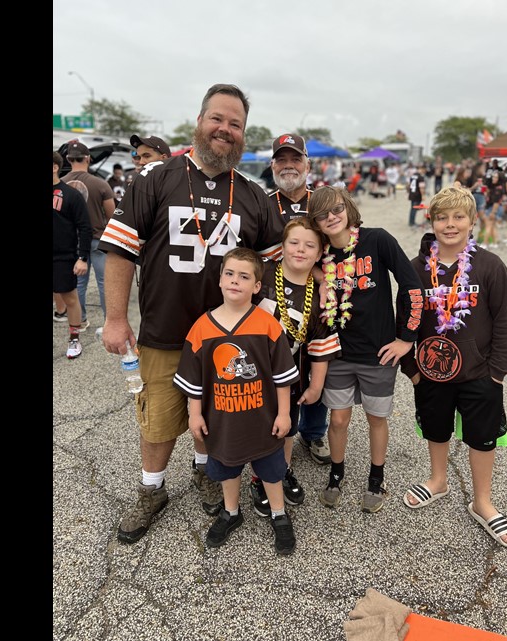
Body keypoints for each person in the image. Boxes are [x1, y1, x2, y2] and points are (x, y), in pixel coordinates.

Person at [99, 83, 286, 544]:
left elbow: (275, 262)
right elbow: (121, 252)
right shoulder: (154, 177)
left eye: (236, 124)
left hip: (230, 337)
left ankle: (207, 471)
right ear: (199, 121)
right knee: (159, 418)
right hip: (166, 330)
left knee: (218, 412)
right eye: (217, 119)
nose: (225, 130)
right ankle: (152, 489)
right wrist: (116, 317)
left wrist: (268, 321)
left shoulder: (254, 194)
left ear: (244, 134)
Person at [399, 186, 507, 547]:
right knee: (436, 428)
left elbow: (505, 321)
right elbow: (404, 319)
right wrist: (413, 370)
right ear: (431, 221)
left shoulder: (490, 265)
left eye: (458, 217)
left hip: (480, 372)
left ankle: (482, 501)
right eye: (441, 217)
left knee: (482, 436)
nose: (449, 225)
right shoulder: (416, 269)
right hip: (432, 372)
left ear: (472, 221)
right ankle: (438, 480)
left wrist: (497, 371)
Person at [174, 247, 299, 555]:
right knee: (228, 469)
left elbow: (282, 377)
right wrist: (194, 415)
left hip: (263, 420)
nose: (235, 281)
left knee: (271, 470)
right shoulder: (202, 327)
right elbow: (195, 382)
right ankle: (231, 511)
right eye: (229, 274)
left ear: (257, 286)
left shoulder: (268, 325)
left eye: (244, 276)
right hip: (222, 422)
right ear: (219, 280)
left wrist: (284, 414)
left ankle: (279, 513)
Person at [308, 186, 424, 513]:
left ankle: (376, 478)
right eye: (322, 214)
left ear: (347, 208)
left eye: (336, 209)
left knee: (376, 417)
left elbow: (412, 285)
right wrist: (319, 277)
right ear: (315, 222)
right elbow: (287, 257)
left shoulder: (377, 239)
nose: (331, 217)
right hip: (337, 353)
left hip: (378, 353)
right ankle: (336, 473)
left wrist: (406, 338)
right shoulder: (321, 250)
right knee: (339, 419)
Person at [252, 217, 341, 517]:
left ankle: (282, 469)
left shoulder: (321, 296)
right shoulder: (261, 275)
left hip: (291, 376)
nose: (300, 250)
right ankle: (257, 478)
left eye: (309, 246)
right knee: (254, 425)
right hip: (251, 373)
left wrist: (316, 386)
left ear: (319, 254)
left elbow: (320, 345)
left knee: (286, 427)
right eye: (293, 242)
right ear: (282, 247)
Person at [265, 134, 333, 471]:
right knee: (280, 363)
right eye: (282, 160)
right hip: (276, 295)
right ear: (272, 165)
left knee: (320, 363)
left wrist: (325, 281)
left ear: (307, 164)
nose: (288, 165)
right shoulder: (262, 203)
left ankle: (313, 431)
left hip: (320, 298)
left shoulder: (323, 203)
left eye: (295, 159)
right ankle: (278, 427)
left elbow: (343, 246)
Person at [64, 141, 117, 330]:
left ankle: (80, 320)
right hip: (97, 238)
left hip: (72, 241)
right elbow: (112, 215)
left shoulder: (61, 185)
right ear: (88, 158)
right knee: (104, 283)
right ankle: (108, 321)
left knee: (78, 283)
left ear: (69, 160)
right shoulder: (100, 184)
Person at [52, 151, 91, 359]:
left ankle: (74, 338)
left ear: (55, 167)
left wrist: (82, 257)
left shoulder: (71, 194)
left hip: (63, 256)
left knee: (70, 298)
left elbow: (85, 227)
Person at [407, 164, 425, 229]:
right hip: (417, 195)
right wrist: (423, 195)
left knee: (412, 208)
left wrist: (409, 192)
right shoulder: (421, 177)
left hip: (412, 194)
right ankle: (412, 223)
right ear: (422, 169)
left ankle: (411, 221)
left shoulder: (413, 175)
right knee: (414, 209)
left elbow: (408, 185)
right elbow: (421, 187)